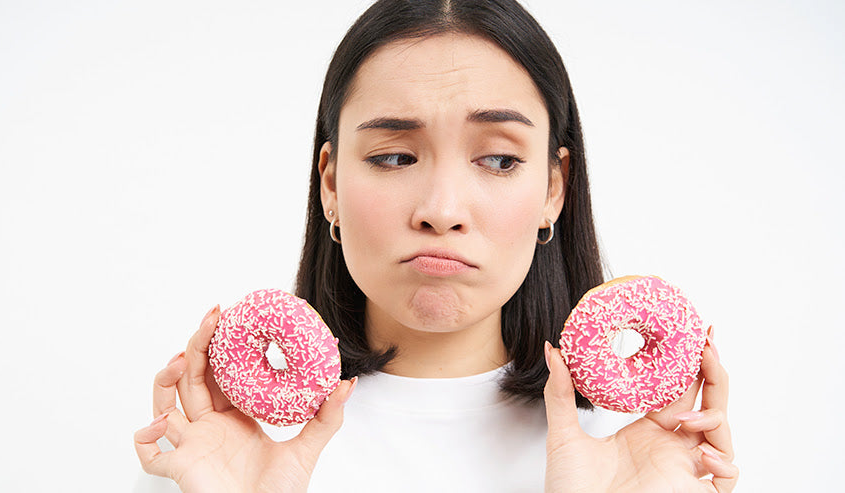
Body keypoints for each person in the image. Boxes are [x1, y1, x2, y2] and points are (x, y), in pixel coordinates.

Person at [134, 0, 738, 491]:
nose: (442, 211)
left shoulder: (641, 452)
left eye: (499, 159)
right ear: (332, 185)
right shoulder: (220, 453)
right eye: (393, 156)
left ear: (553, 190)